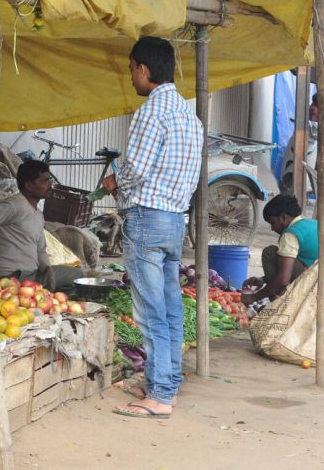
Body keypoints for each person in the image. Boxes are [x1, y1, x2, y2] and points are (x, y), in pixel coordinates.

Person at [102, 36, 203, 420]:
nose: (131, 77)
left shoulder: (151, 112)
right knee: (171, 307)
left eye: (131, 70)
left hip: (146, 219)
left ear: (143, 70)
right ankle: (167, 384)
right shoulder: (187, 115)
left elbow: (136, 169)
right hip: (175, 220)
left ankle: (159, 395)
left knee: (150, 311)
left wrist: (114, 180)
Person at [0, 160, 84, 292]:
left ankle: (46, 297)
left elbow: (40, 250)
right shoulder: (15, 205)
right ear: (29, 185)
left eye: (49, 180)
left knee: (76, 275)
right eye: (44, 181)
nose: (50, 185)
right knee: (77, 278)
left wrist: (48, 269)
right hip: (11, 277)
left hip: (32, 274)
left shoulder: (38, 215)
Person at [241, 194, 324, 305]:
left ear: (283, 217)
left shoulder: (290, 234)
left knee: (269, 253)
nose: (272, 228)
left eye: (273, 222)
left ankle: (280, 306)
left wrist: (253, 297)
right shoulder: (312, 224)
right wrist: (264, 279)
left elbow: (283, 280)